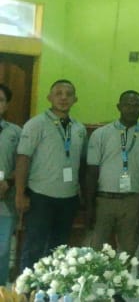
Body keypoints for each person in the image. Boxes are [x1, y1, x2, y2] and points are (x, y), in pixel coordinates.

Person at [15, 79, 87, 271]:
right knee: (34, 247)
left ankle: (50, 292)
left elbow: (80, 164)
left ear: (75, 99)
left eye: (68, 94)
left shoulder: (79, 128)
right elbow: (23, 159)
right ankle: (27, 293)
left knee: (59, 248)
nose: (64, 97)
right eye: (58, 93)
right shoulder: (36, 124)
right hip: (40, 196)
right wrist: (20, 193)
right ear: (49, 97)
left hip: (68, 198)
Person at [84, 90, 139, 256]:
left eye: (135, 105)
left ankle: (121, 282)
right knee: (97, 251)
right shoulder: (101, 134)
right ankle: (98, 282)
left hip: (133, 201)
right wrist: (89, 206)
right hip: (104, 200)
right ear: (119, 107)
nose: (131, 109)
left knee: (128, 252)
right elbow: (91, 171)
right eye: (127, 105)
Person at [0, 84, 21, 286]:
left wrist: (8, 182)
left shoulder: (16, 132)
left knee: (3, 248)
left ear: (6, 105)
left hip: (4, 199)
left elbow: (22, 165)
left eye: (0, 100)